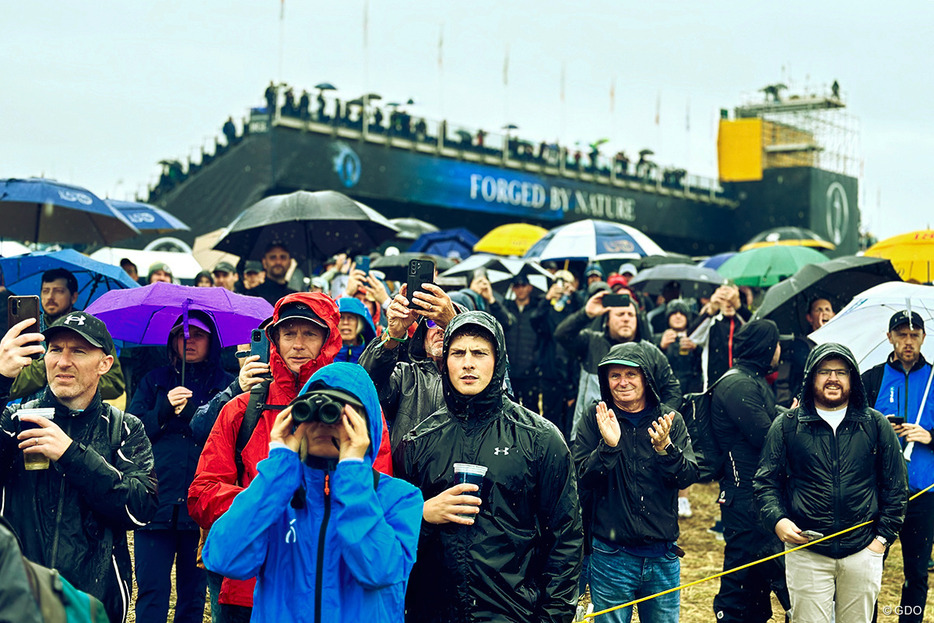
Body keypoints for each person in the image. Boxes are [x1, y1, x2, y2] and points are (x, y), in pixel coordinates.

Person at [188, 293, 392, 622]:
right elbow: (202, 493)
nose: (297, 344)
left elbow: (379, 489)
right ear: (274, 339)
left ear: (329, 339)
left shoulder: (360, 414)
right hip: (248, 588)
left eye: (309, 333)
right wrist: (266, 502)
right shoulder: (242, 410)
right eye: (288, 334)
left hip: (330, 586)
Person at [395, 311, 582, 622]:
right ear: (446, 361)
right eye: (458, 353)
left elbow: (566, 538)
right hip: (434, 611)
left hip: (512, 612)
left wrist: (553, 617)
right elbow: (394, 536)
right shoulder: (417, 441)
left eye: (479, 353)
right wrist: (422, 516)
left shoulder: (539, 439)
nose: (468, 363)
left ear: (498, 361)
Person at [203, 363, 423, 622]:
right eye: (311, 413)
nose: (323, 424)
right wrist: (279, 468)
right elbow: (224, 559)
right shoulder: (277, 496)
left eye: (337, 415)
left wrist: (353, 472)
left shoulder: (399, 498)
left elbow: (379, 570)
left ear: (367, 425)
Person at [0, 311, 158, 623]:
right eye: (56, 349)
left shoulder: (123, 428)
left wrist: (72, 455)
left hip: (93, 603)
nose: (63, 361)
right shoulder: (17, 420)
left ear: (105, 364)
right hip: (18, 599)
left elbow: (141, 508)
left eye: (79, 351)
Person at [754, 342, 908, 623]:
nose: (833, 378)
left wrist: (882, 540)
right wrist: (778, 521)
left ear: (853, 378)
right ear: (811, 377)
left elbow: (896, 488)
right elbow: (765, 484)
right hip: (807, 551)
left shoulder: (874, 424)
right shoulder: (788, 425)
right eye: (824, 371)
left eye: (841, 371)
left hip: (863, 550)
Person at [572, 341, 698, 623]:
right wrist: (608, 447)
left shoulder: (669, 419)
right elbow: (582, 478)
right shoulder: (596, 418)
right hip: (612, 554)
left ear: (646, 378)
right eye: (614, 376)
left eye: (631, 375)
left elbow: (689, 475)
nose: (622, 382)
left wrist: (666, 449)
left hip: (663, 555)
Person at [129, 312, 234, 623]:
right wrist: (162, 410)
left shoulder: (226, 386)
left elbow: (228, 436)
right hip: (156, 501)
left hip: (200, 506)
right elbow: (133, 430)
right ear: (172, 341)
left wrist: (193, 414)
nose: (188, 340)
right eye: (181, 334)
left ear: (212, 341)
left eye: (198, 334)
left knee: (192, 596)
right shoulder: (154, 381)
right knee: (151, 591)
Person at [710, 320, 789, 622]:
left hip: (755, 493)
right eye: (777, 343)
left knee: (754, 582)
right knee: (741, 581)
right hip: (744, 495)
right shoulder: (739, 383)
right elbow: (766, 436)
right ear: (766, 346)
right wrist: (788, 422)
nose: (780, 350)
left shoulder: (753, 380)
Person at [862, 310, 934, 622]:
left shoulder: (933, 378)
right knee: (868, 570)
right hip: (880, 493)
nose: (908, 341)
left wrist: (930, 436)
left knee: (916, 574)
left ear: (923, 338)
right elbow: (852, 428)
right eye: (901, 334)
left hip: (923, 491)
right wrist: (880, 433)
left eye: (914, 335)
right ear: (889, 337)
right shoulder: (872, 378)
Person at [556, 288, 680, 442]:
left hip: (641, 438)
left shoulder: (650, 351)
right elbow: (562, 335)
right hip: (593, 434)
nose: (626, 319)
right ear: (607, 320)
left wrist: (662, 423)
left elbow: (672, 390)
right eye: (620, 314)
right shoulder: (591, 342)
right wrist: (586, 313)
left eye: (630, 314)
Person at [359, 283, 457, 451]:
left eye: (445, 322)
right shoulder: (405, 375)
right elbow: (363, 386)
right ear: (423, 337)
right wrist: (393, 336)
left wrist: (454, 328)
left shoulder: (473, 377)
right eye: (432, 323)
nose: (440, 330)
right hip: (404, 475)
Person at [11, 269, 125, 401]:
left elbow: (114, 384)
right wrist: (48, 366)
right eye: (45, 291)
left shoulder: (93, 330)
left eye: (59, 291)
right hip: (30, 413)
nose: (50, 297)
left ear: (74, 297)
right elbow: (10, 386)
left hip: (80, 416)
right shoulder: (27, 330)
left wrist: (72, 380)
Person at [686, 283, 752, 389]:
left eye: (731, 300)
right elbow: (692, 337)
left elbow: (757, 331)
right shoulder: (711, 321)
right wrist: (710, 310)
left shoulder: (743, 320)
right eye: (723, 299)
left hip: (742, 385)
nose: (728, 304)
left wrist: (739, 307)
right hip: (714, 386)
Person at [503, 274, 541, 411]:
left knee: (531, 410)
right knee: (509, 409)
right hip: (510, 370)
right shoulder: (507, 308)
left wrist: (535, 361)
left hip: (530, 371)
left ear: (530, 287)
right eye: (517, 286)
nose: (520, 290)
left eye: (523, 286)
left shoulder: (537, 309)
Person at [334, 297, 377, 365]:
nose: (345, 322)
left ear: (359, 323)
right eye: (341, 317)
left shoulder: (372, 357)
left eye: (350, 318)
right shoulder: (323, 357)